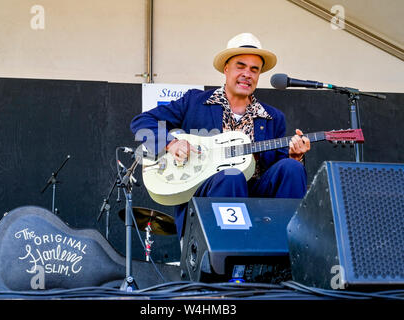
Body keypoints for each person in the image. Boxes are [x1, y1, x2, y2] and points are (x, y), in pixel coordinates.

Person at [130, 33, 311, 241]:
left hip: (258, 200)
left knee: (293, 168)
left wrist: (294, 157)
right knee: (231, 176)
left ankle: (285, 250)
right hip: (210, 198)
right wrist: (171, 143)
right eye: (240, 66)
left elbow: (279, 170)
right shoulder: (194, 103)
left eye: (254, 69)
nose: (247, 74)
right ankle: (228, 254)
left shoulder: (273, 118)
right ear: (226, 69)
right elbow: (142, 122)